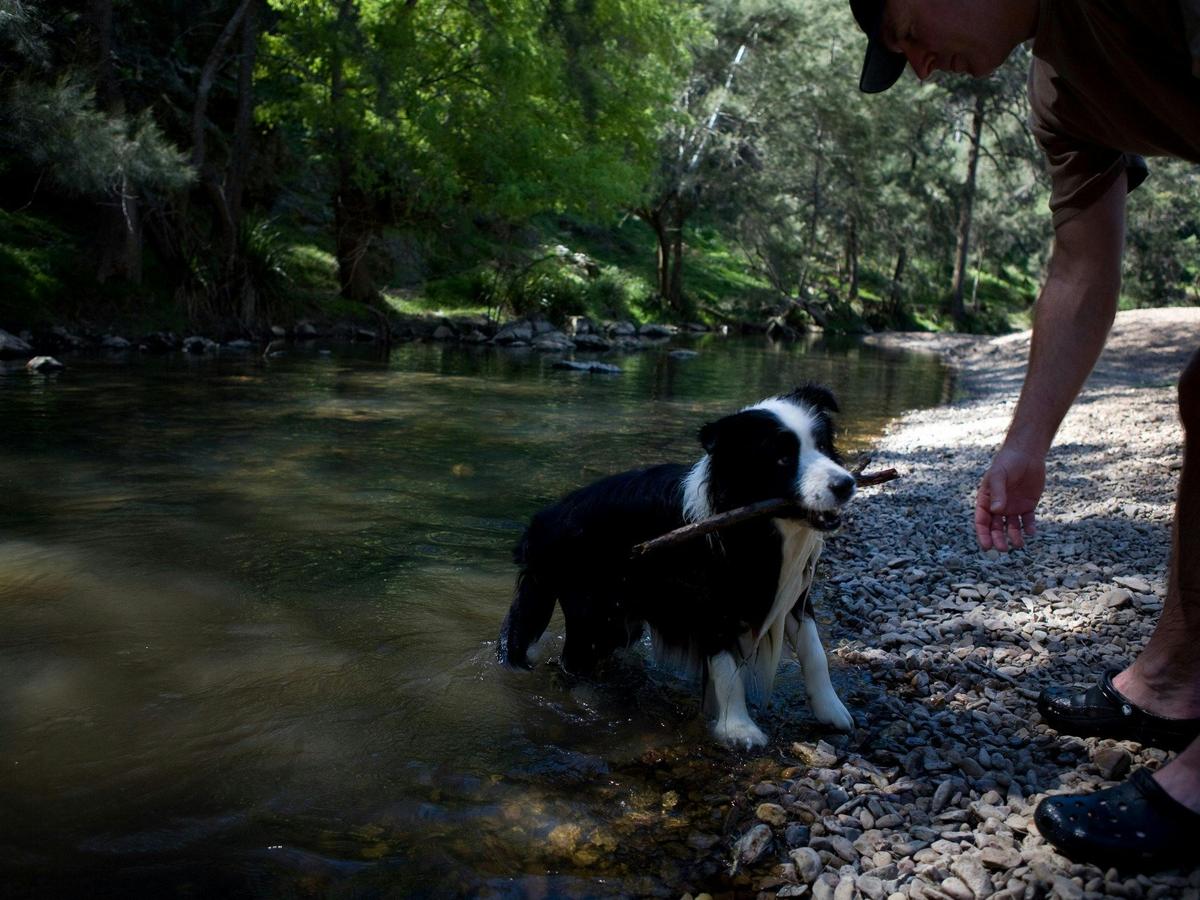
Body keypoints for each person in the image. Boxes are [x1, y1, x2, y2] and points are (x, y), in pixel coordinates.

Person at [850, 0, 1200, 869]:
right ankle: (1176, 681)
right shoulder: (1059, 93)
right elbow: (1081, 262)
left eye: (908, 31)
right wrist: (1025, 444)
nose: (921, 66)